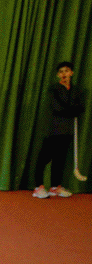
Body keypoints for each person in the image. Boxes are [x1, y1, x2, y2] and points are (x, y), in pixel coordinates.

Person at [33, 61, 86, 198]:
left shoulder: (76, 90)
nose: (64, 74)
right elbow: (58, 108)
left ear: (71, 73)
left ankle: (55, 187)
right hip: (53, 130)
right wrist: (73, 110)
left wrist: (74, 110)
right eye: (61, 72)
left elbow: (81, 108)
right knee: (44, 158)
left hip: (67, 131)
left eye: (66, 71)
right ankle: (39, 187)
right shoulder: (53, 89)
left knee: (60, 160)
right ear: (58, 75)